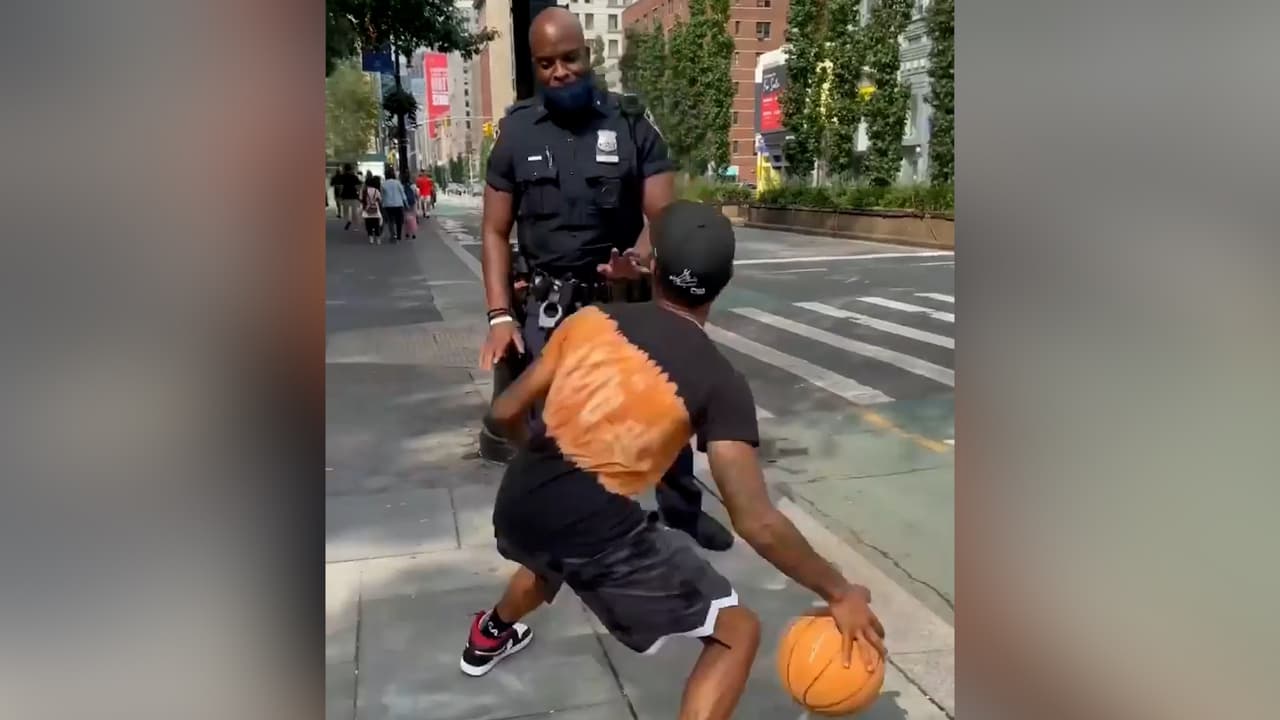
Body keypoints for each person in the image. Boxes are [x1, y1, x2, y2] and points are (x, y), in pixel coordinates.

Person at [460, 202, 887, 720]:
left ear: (654, 267)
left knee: (549, 558)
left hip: (521, 499)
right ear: (723, 284)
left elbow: (505, 410)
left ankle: (490, 633)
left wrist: (536, 458)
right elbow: (757, 520)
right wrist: (839, 591)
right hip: (594, 528)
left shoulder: (591, 320)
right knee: (737, 631)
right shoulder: (719, 381)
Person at [478, 6, 732, 552]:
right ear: (534, 65)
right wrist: (500, 316)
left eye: (569, 58)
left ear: (587, 54)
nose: (559, 71)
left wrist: (640, 260)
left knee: (662, 405)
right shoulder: (516, 132)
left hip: (625, 298)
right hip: (551, 306)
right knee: (555, 426)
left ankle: (681, 509)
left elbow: (659, 215)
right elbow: (495, 231)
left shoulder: (631, 124)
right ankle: (569, 520)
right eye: (546, 63)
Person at [380, 168, 408, 243]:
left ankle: (393, 235)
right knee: (399, 221)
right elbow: (402, 193)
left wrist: (382, 204)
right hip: (398, 204)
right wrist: (406, 203)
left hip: (388, 205)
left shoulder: (383, 184)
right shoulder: (398, 183)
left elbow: (382, 196)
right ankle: (398, 236)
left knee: (390, 221)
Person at [332, 164, 362, 230]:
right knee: (355, 213)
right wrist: (358, 192)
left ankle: (348, 220)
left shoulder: (342, 177)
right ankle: (356, 227)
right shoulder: (354, 177)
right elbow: (359, 186)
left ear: (344, 169)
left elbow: (341, 187)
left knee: (345, 212)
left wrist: (340, 195)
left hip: (345, 197)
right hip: (354, 197)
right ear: (350, 169)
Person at [360, 176, 383, 244]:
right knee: (376, 224)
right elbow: (380, 199)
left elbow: (361, 199)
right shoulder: (376, 190)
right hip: (375, 209)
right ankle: (378, 239)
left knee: (368, 225)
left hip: (367, 210)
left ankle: (371, 239)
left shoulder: (364, 191)